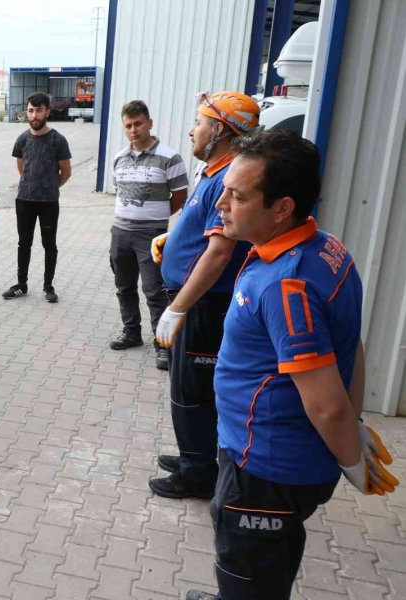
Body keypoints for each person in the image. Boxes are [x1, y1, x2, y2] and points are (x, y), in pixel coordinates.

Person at [185, 131, 399, 600]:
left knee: (250, 570)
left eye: (238, 196)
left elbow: (326, 406)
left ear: (281, 208)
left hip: (264, 469)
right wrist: (356, 424)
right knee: (264, 562)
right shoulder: (325, 247)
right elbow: (351, 345)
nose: (221, 203)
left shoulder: (288, 284)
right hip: (267, 458)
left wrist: (351, 455)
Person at [148, 91, 260, 500]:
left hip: (202, 304)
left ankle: (197, 473)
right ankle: (193, 454)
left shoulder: (229, 178)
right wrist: (173, 239)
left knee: (192, 389)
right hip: (195, 299)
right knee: (189, 387)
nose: (193, 130)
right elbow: (201, 231)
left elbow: (219, 252)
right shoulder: (215, 172)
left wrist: (178, 308)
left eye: (200, 123)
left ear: (219, 132)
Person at [110, 100, 188, 371]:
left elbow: (179, 196)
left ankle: (162, 345)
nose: (133, 129)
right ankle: (131, 332)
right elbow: (118, 190)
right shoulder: (119, 158)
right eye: (128, 125)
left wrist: (156, 219)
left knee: (155, 291)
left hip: (151, 236)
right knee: (124, 287)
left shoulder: (169, 157)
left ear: (150, 123)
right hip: (120, 232)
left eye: (138, 123)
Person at [2, 92, 72, 303]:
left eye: (39, 110)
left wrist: (50, 186)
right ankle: (21, 285)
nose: (34, 115)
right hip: (24, 201)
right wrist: (32, 185)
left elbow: (66, 172)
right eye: (31, 110)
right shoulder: (22, 139)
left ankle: (48, 286)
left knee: (49, 245)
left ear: (47, 112)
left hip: (49, 202)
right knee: (24, 244)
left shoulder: (58, 140)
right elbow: (22, 168)